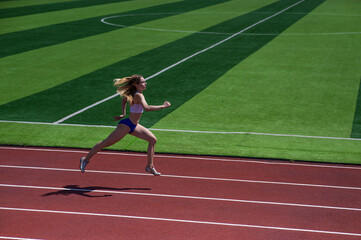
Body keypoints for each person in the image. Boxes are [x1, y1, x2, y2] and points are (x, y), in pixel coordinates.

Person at [79, 74, 171, 176]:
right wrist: (163, 106)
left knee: (152, 139)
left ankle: (149, 166)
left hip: (134, 125)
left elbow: (124, 100)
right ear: (136, 84)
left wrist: (123, 113)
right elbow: (147, 108)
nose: (145, 83)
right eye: (143, 82)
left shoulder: (134, 94)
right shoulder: (139, 95)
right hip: (126, 125)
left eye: (145, 82)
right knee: (106, 143)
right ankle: (85, 159)